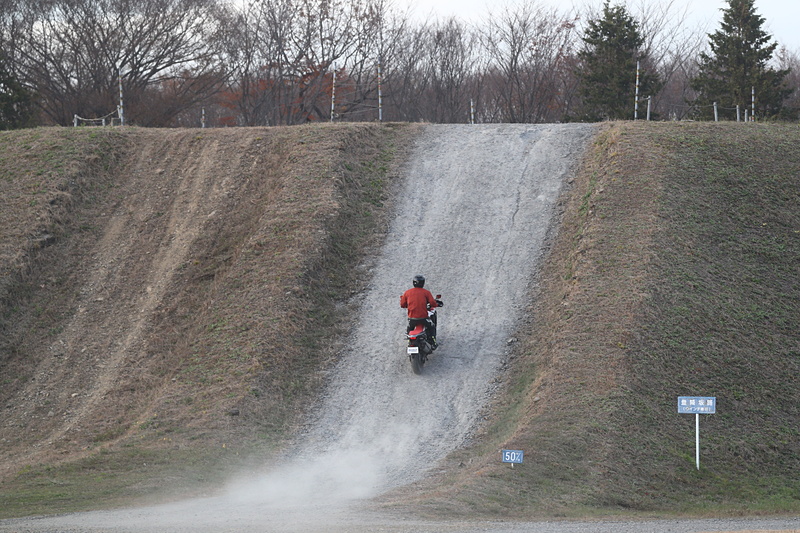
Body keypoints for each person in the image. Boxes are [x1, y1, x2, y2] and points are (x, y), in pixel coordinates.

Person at [400, 275, 440, 349]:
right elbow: (433, 303)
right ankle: (433, 342)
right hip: (423, 318)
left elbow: (402, 304)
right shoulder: (426, 292)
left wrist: (409, 305)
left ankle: (409, 342)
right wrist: (436, 304)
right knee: (432, 327)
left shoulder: (407, 292)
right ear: (423, 283)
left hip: (412, 318)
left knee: (409, 329)